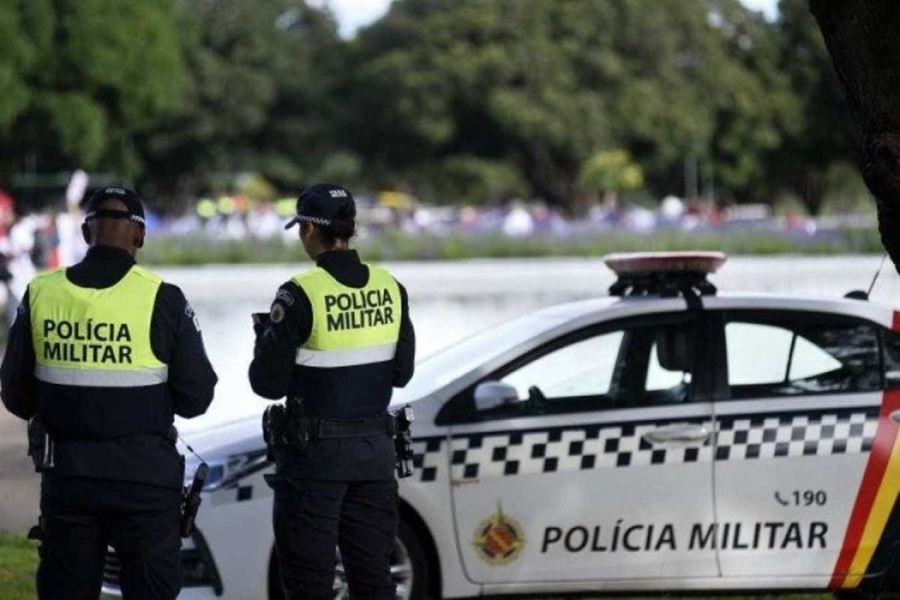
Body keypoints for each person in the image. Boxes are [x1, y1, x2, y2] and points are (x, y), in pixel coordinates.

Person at [0, 186, 218, 600]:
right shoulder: (163, 298)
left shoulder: (42, 293)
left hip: (69, 481)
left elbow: (14, 393)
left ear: (86, 233)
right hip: (146, 485)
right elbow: (197, 397)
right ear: (140, 235)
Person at [249, 183, 415, 600]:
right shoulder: (390, 287)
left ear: (308, 230)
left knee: (309, 586)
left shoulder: (298, 293)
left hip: (313, 465)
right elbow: (401, 373)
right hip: (375, 459)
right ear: (351, 228)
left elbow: (266, 384)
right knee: (374, 581)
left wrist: (266, 340)